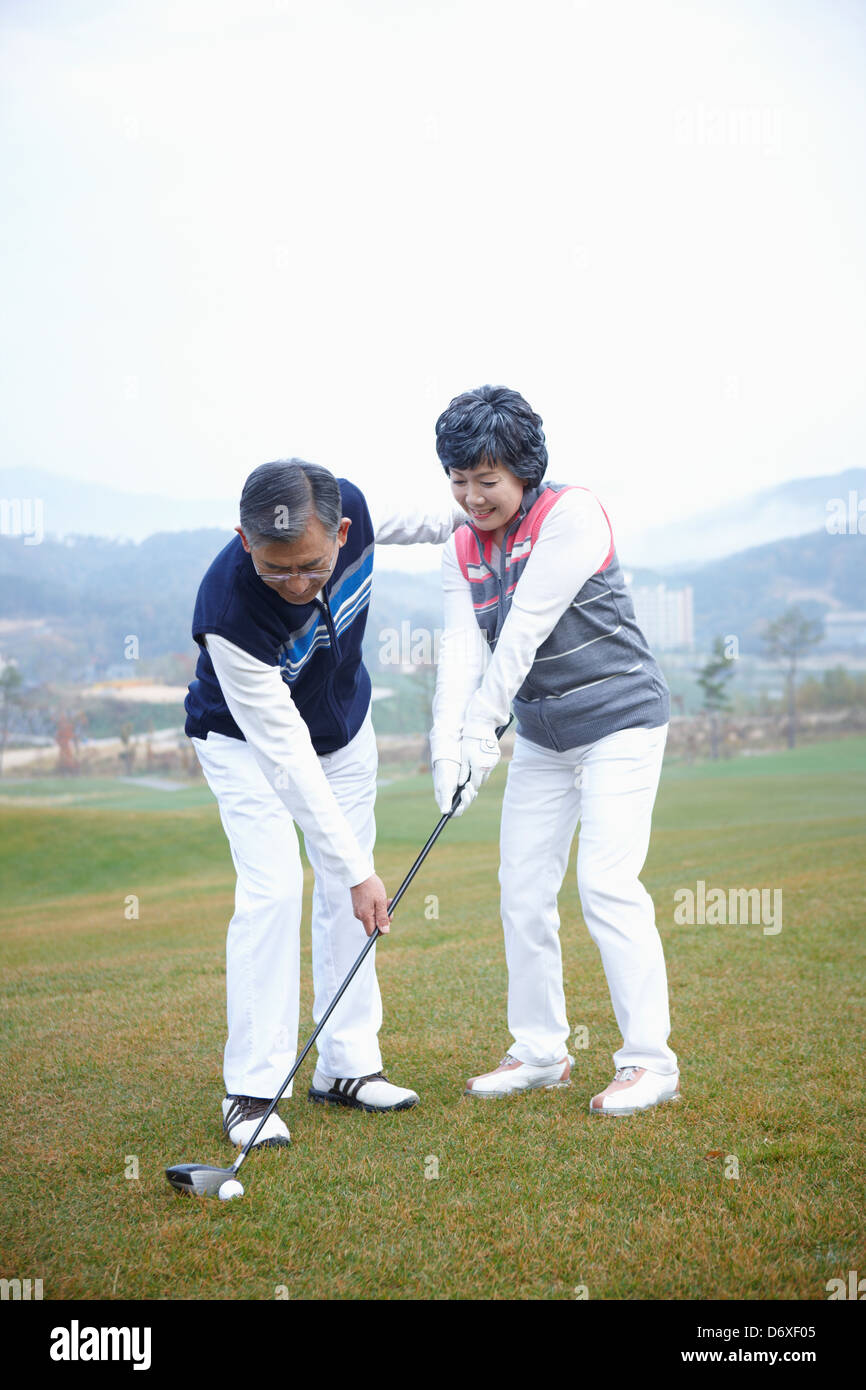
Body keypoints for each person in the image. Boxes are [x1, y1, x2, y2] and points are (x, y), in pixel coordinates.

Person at [184, 459, 461, 1149]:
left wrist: (485, 515)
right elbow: (284, 756)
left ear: (340, 532)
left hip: (343, 728)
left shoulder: (353, 510)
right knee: (275, 890)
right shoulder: (227, 612)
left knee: (347, 897)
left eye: (312, 565)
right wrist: (358, 867)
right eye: (278, 571)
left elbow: (414, 522)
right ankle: (250, 1092)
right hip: (247, 745)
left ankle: (346, 1066)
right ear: (246, 543)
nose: (299, 585)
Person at [429, 386, 679, 1116]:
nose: (472, 497)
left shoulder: (570, 514)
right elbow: (460, 650)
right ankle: (540, 1050)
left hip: (620, 723)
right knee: (522, 887)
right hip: (544, 737)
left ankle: (649, 1062)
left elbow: (523, 631)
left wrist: (482, 732)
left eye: (487, 481)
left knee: (605, 883)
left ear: (525, 472)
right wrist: (449, 749)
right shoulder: (461, 547)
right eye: (459, 481)